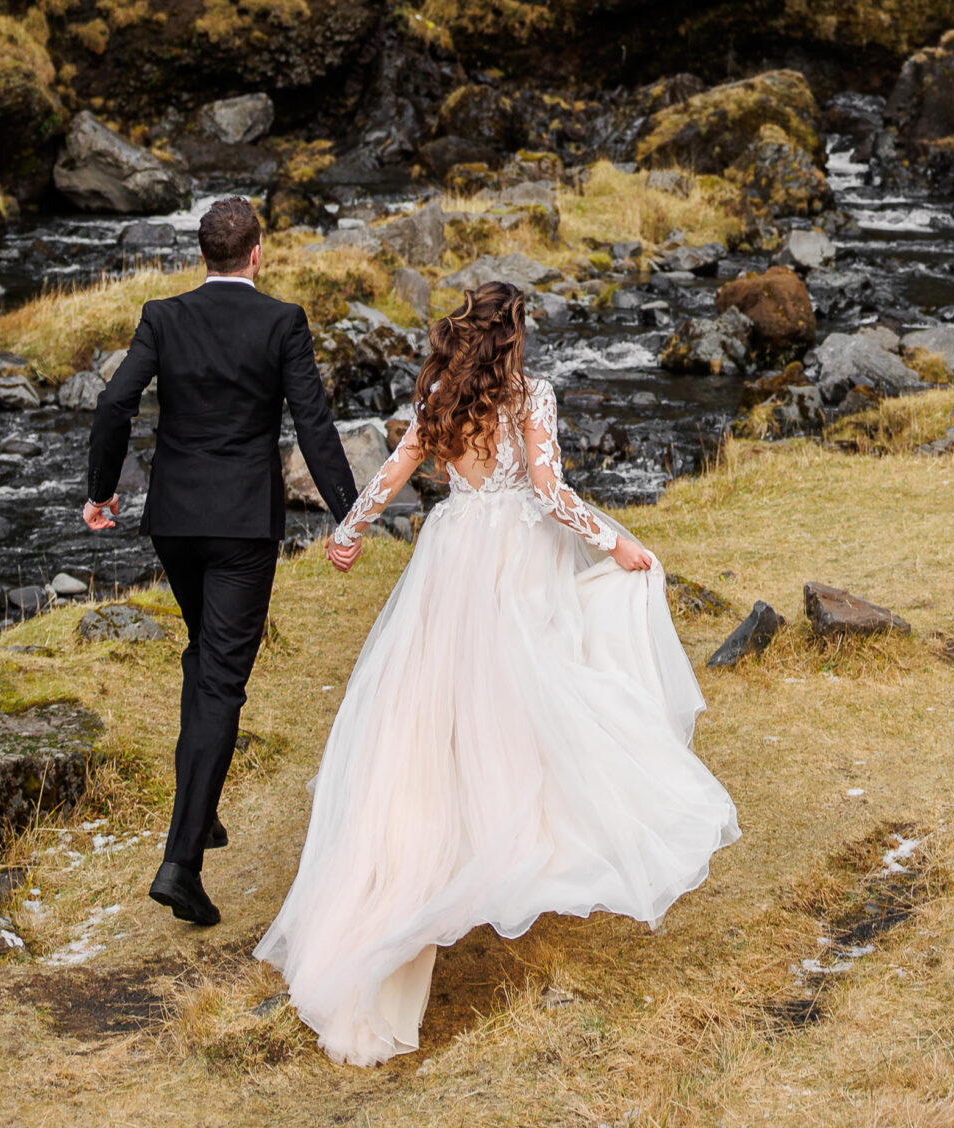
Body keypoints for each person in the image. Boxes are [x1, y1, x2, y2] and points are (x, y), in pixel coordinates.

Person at [255, 279, 739, 1068]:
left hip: (450, 552)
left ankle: (450, 842)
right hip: (513, 554)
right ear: (513, 332)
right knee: (531, 689)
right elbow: (548, 492)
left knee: (437, 706)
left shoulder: (441, 391)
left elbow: (396, 470)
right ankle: (512, 837)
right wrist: (614, 542)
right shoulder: (530, 394)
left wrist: (347, 533)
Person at [84, 194, 358, 930]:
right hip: (241, 527)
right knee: (222, 682)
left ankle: (198, 815)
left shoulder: (161, 316)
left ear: (203, 254)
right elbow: (314, 422)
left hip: (173, 521)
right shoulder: (281, 322)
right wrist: (348, 512)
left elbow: (114, 404)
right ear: (257, 253)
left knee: (205, 656)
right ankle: (181, 864)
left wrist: (100, 492)